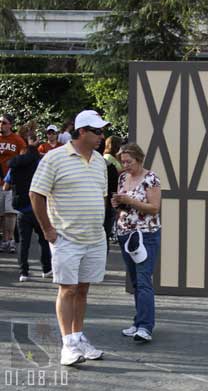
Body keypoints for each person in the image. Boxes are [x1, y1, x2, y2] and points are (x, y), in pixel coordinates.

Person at [29, 110, 109, 366]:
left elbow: (102, 195)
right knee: (68, 289)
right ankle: (68, 345)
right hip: (66, 237)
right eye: (97, 131)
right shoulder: (54, 158)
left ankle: (77, 336)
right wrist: (48, 230)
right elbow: (36, 194)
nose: (101, 136)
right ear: (82, 131)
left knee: (83, 289)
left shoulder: (99, 161)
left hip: (95, 237)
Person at [111, 143, 161, 343]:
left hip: (145, 234)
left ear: (139, 159)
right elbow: (123, 204)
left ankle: (146, 327)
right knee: (135, 281)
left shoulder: (151, 178)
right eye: (123, 162)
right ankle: (138, 322)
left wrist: (130, 201)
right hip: (125, 233)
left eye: (129, 162)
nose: (125, 165)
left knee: (143, 280)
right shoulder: (123, 177)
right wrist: (118, 203)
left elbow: (154, 208)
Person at [4, 132, 51, 282]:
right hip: (39, 208)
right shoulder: (40, 164)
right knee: (44, 239)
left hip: (22, 208)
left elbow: (6, 186)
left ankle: (23, 272)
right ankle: (46, 268)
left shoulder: (14, 166)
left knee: (23, 243)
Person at [0, 113, 27, 253]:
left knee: (10, 212)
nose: (1, 125)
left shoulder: (17, 140)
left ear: (10, 124)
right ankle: (4, 239)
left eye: (4, 122)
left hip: (11, 182)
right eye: (0, 122)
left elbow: (23, 157)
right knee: (1, 214)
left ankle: (10, 240)